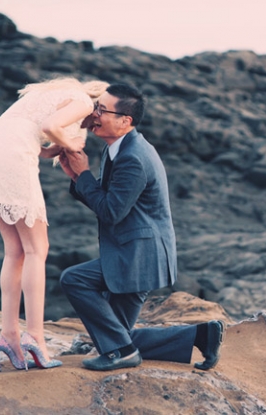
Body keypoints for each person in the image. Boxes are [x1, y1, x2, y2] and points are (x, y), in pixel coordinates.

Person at [57, 82, 224, 371]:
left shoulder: (132, 157)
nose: (94, 114)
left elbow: (110, 212)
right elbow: (109, 201)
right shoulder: (119, 148)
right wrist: (77, 177)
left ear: (125, 121)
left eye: (102, 110)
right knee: (115, 337)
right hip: (136, 252)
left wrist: (84, 175)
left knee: (74, 280)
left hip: (139, 257)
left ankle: (123, 354)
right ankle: (201, 335)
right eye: (96, 107)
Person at [0, 76, 109, 371]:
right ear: (98, 103)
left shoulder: (54, 94)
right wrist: (70, 143)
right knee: (37, 249)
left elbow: (28, 131)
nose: (96, 123)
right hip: (13, 154)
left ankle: (9, 335)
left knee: (15, 251)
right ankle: (35, 336)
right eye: (101, 114)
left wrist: (50, 151)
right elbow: (50, 127)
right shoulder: (83, 101)